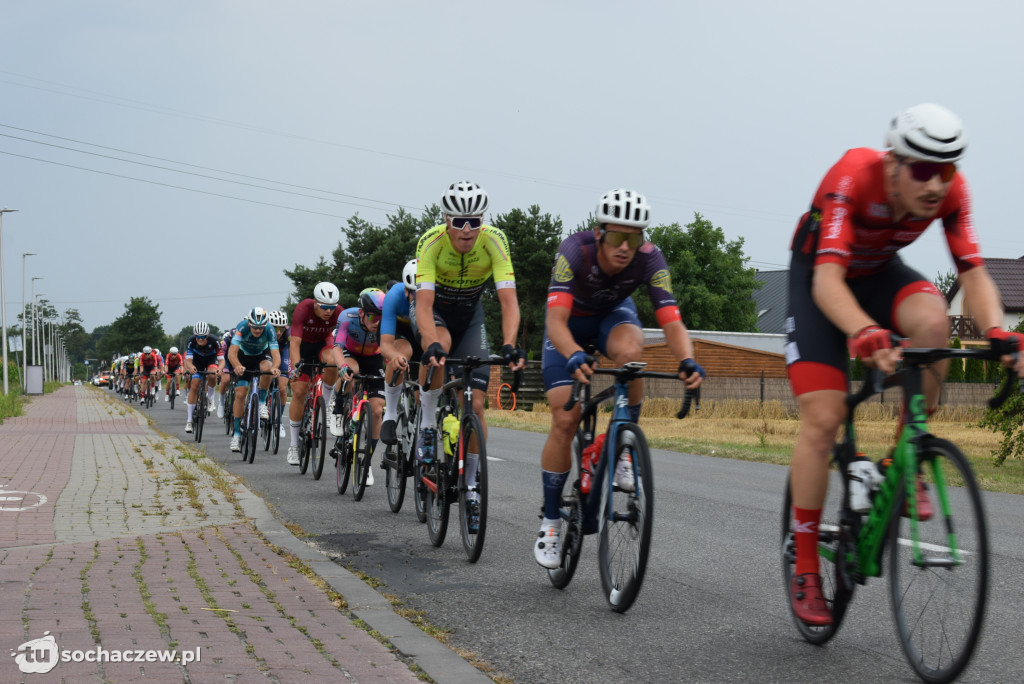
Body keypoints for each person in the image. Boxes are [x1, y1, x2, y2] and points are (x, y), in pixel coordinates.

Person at [785, 103, 1024, 626]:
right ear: (893, 162)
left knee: (935, 325)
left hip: (879, 273)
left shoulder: (950, 193)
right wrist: (863, 330)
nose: (937, 184)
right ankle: (804, 564)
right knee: (824, 420)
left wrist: (1001, 332)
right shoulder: (852, 178)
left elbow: (975, 274)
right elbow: (828, 282)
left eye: (948, 169)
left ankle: (904, 457)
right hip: (820, 281)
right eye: (922, 169)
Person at [534, 188, 705, 568]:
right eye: (616, 237)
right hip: (569, 328)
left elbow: (671, 319)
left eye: (635, 237)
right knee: (565, 418)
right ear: (599, 234)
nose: (625, 246)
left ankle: (624, 443)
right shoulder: (573, 252)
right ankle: (549, 521)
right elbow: (555, 322)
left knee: (632, 354)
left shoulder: (650, 259)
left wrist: (688, 360)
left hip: (612, 317)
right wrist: (574, 352)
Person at [412, 181, 525, 531]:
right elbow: (425, 304)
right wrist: (429, 343)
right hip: (437, 315)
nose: (466, 230)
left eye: (473, 221)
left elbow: (509, 301)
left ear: (482, 221)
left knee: (475, 404)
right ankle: (428, 421)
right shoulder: (431, 243)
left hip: (471, 317)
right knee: (440, 346)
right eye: (458, 221)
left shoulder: (495, 241)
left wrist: (509, 344)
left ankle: (472, 487)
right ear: (446, 219)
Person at [329, 287, 387, 486]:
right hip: (351, 355)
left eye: (381, 316)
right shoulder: (347, 317)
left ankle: (366, 461)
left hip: (374, 358)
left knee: (378, 410)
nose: (376, 321)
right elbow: (337, 348)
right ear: (361, 313)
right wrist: (342, 365)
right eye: (372, 316)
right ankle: (338, 409)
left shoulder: (384, 321)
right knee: (350, 373)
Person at [287, 282, 343, 466]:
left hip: (322, 344)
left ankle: (324, 405)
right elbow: (294, 342)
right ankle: (294, 446)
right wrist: (296, 367)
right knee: (299, 391)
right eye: (325, 307)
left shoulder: (338, 312)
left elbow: (342, 341)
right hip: (303, 347)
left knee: (333, 362)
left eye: (332, 307)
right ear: (316, 304)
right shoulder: (303, 308)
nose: (329, 311)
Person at [227, 307, 281, 452]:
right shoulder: (242, 327)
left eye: (260, 328)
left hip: (261, 355)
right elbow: (232, 352)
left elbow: (275, 354)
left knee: (268, 368)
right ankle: (237, 435)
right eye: (255, 327)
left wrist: (275, 367)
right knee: (240, 394)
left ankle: (262, 402)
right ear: (249, 323)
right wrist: (237, 366)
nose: (257, 331)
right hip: (243, 357)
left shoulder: (269, 330)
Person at [380, 259, 420, 445]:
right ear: (406, 290)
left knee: (423, 394)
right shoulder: (394, 296)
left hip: (424, 332)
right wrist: (395, 356)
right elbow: (386, 344)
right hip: (401, 333)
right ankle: (390, 413)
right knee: (402, 353)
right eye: (413, 293)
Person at [183, 321, 225, 434]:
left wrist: (219, 369)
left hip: (211, 359)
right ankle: (189, 420)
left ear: (207, 336)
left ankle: (210, 398)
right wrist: (191, 367)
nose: (200, 339)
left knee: (212, 374)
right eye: (198, 337)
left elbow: (221, 360)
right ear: (194, 335)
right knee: (195, 384)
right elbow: (188, 361)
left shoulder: (215, 340)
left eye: (203, 337)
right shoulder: (191, 341)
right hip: (197, 361)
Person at [268, 310, 291, 438]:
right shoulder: (264, 331)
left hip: (283, 353)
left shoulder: (288, 332)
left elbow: (294, 343)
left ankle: (279, 421)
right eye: (275, 328)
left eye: (281, 328)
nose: (278, 332)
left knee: (282, 389)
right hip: (268, 353)